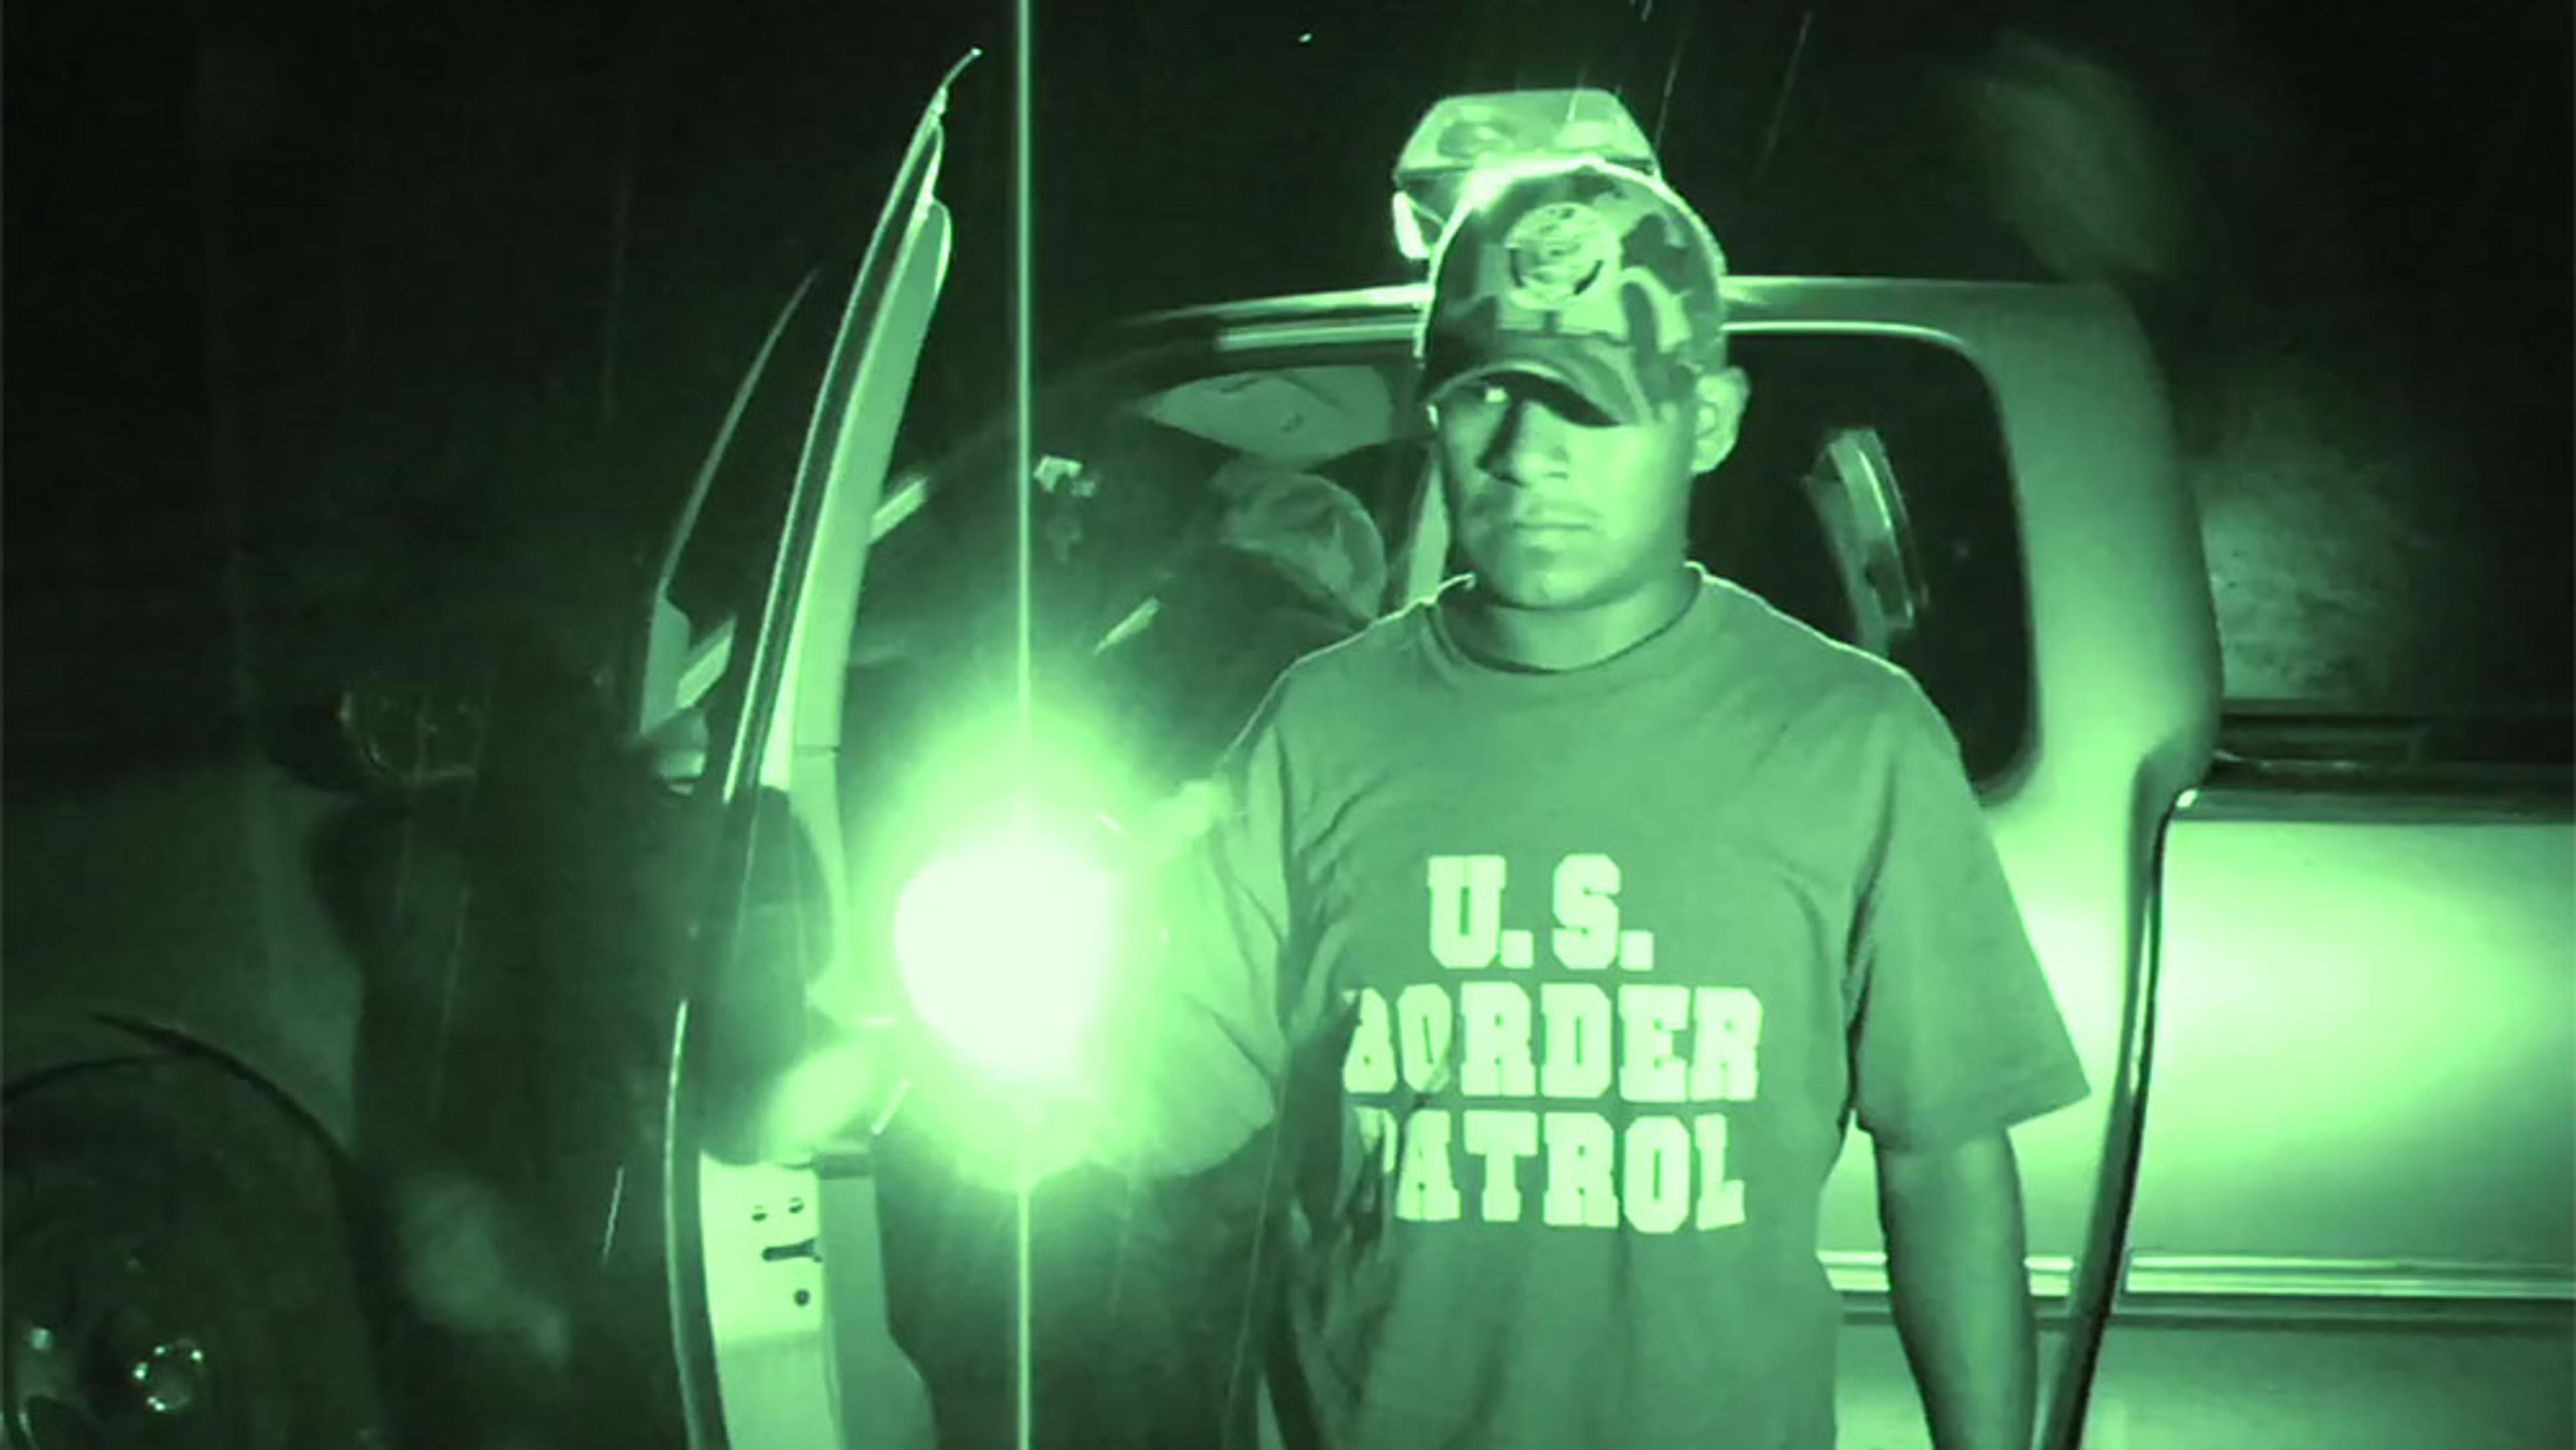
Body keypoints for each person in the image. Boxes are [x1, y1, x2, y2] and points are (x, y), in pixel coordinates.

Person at [1074, 156, 2092, 1450]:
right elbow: (1163, 1108)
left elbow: (1943, 1165)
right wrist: (1061, 965)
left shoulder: (1852, 738)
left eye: (1588, 404)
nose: (1525, 454)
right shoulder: (1320, 724)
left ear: (1710, 418)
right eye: (1481, 394)